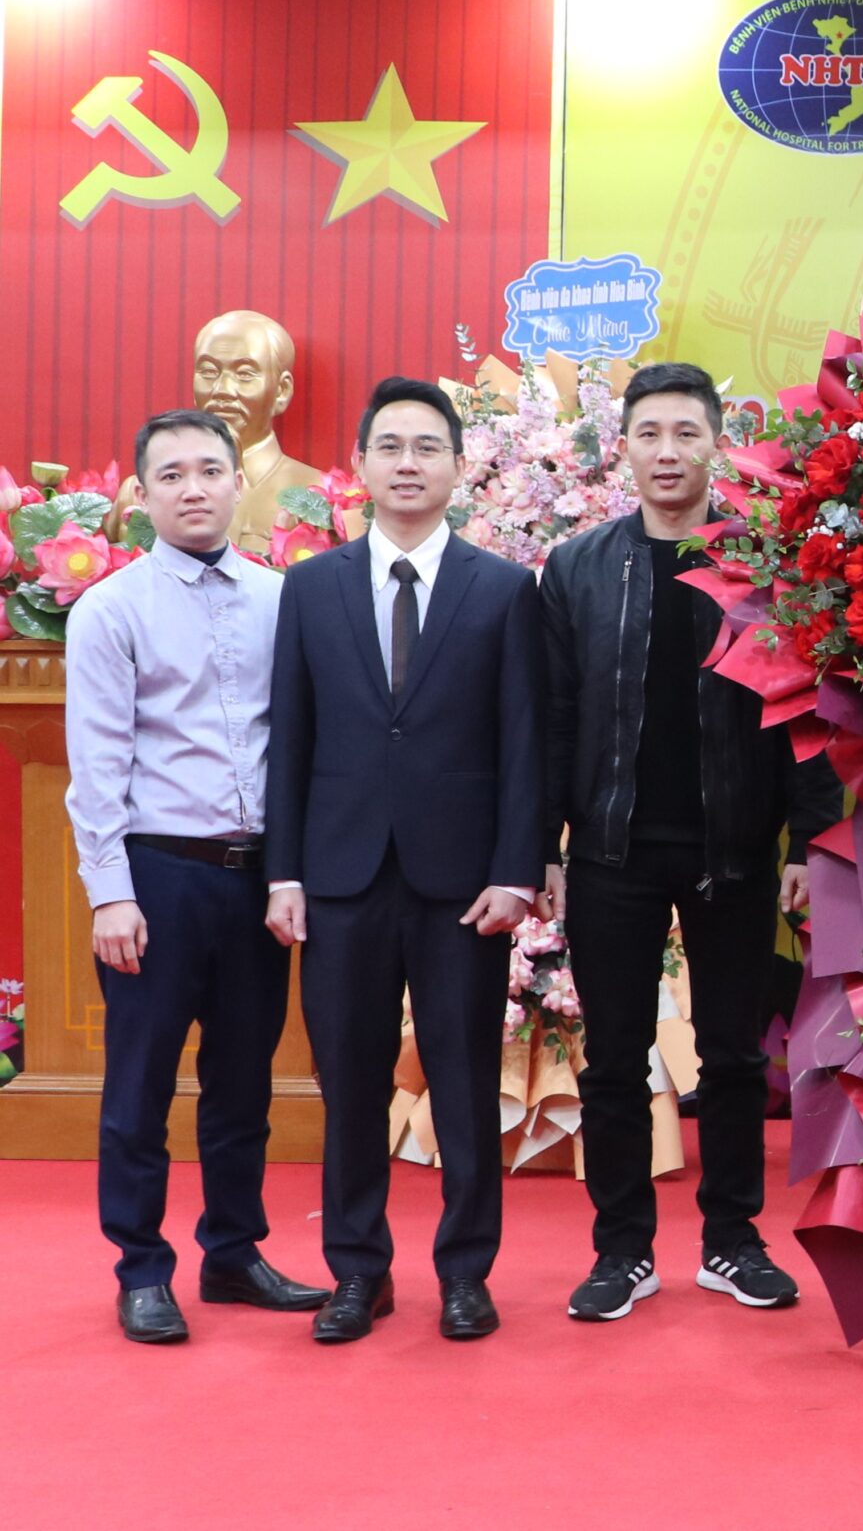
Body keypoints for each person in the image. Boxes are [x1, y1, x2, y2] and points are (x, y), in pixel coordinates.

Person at [541, 361, 842, 1322]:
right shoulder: (579, 567)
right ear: (623, 448)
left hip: (736, 850)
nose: (667, 451)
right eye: (650, 433)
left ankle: (732, 1240)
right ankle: (621, 1249)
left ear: (719, 443)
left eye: (686, 433)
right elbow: (554, 716)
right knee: (613, 1059)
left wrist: (809, 842)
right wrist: (542, 848)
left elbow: (807, 711)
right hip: (610, 852)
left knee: (735, 1057)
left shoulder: (765, 566)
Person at [265, 376, 546, 1345]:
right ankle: (357, 1270)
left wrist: (517, 869)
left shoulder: (502, 588)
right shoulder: (312, 588)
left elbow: (524, 740)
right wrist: (284, 871)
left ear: (459, 467)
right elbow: (290, 740)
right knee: (350, 1080)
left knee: (464, 1079)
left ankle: (465, 1272)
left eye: (428, 447)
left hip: (463, 882)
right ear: (361, 465)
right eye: (390, 446)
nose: (408, 462)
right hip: (340, 876)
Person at [66, 409, 327, 1344]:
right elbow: (97, 762)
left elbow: (299, 740)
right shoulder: (111, 608)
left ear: (237, 483)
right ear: (141, 493)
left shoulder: (282, 598)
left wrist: (293, 871)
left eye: (210, 469)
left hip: (257, 879)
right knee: (139, 1085)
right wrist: (110, 891)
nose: (193, 488)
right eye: (171, 474)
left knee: (243, 1082)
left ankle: (233, 1251)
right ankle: (141, 1266)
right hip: (158, 876)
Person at [112, 311, 326, 556]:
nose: (222, 390)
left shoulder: (318, 494)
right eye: (209, 372)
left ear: (281, 390)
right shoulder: (139, 494)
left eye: (244, 374)